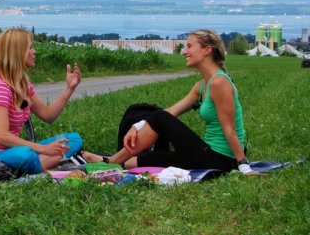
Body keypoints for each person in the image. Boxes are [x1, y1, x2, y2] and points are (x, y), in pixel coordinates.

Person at [84, 29, 255, 174]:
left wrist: (243, 165)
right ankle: (107, 162)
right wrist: (137, 126)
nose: (184, 51)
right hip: (207, 154)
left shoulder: (219, 82)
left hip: (223, 158)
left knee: (161, 118)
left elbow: (230, 128)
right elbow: (173, 110)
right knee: (154, 158)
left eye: (189, 46)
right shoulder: (202, 86)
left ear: (207, 50)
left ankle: (111, 162)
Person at [0, 28, 84, 175]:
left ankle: (36, 166)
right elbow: (2, 136)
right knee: (25, 154)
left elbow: (48, 115)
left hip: (12, 149)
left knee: (73, 139)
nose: (34, 52)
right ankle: (43, 168)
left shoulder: (22, 84)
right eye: (30, 48)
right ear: (17, 52)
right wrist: (42, 149)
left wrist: (69, 89)